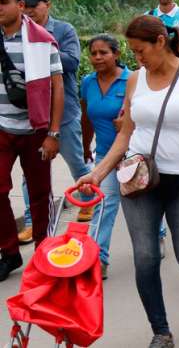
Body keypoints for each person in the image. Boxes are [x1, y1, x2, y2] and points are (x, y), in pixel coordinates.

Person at [76, 15, 179, 348]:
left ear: (160, 42)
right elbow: (126, 135)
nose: (137, 59)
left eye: (140, 51)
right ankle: (161, 331)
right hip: (140, 181)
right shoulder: (136, 80)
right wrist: (97, 171)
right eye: (133, 53)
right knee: (146, 257)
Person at [0, 0, 63, 281]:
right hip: (1, 126)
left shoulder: (42, 40)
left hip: (35, 128)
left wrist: (53, 133)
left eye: (3, 1)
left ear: (20, 6)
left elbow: (57, 87)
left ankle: (43, 250)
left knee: (40, 194)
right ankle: (9, 251)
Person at [17, 0, 90, 244]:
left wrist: (41, 48)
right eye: (24, 6)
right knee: (31, 171)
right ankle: (30, 221)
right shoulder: (18, 33)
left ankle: (87, 201)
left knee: (76, 163)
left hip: (65, 110)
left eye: (33, 6)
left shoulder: (64, 30)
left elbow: (72, 62)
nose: (28, 11)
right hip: (33, 113)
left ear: (47, 4)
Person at [80, 34, 130, 280]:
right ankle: (98, 258)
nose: (97, 58)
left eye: (104, 53)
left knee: (141, 203)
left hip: (135, 156)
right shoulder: (87, 83)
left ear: (117, 54)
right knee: (105, 204)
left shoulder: (132, 80)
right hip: (104, 155)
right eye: (93, 53)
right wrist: (85, 145)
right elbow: (86, 117)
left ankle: (159, 233)